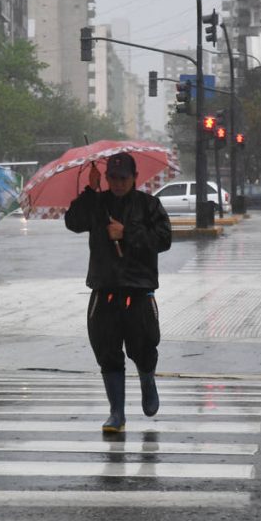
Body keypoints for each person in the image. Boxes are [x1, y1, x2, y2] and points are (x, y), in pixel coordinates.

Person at [65, 152, 172, 433]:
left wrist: (128, 233)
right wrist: (90, 189)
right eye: (112, 177)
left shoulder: (149, 205)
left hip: (138, 291)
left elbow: (164, 240)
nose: (117, 183)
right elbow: (73, 222)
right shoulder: (97, 203)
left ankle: (147, 381)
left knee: (143, 347)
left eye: (123, 178)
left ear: (134, 177)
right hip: (104, 290)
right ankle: (117, 412)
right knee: (107, 352)